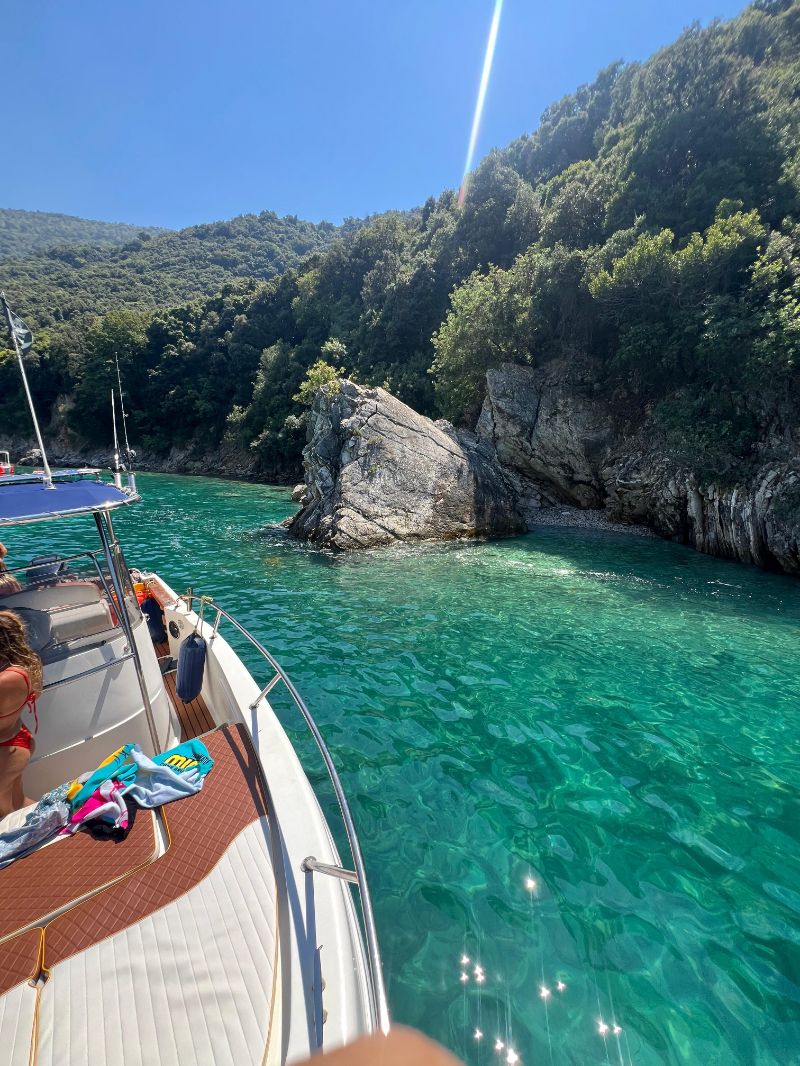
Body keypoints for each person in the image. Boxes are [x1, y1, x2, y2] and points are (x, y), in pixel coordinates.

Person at [0, 610, 42, 816]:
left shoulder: (9, 678)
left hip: (8, 750)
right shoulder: (18, 669)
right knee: (19, 803)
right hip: (14, 743)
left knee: (6, 814)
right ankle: (50, 822)